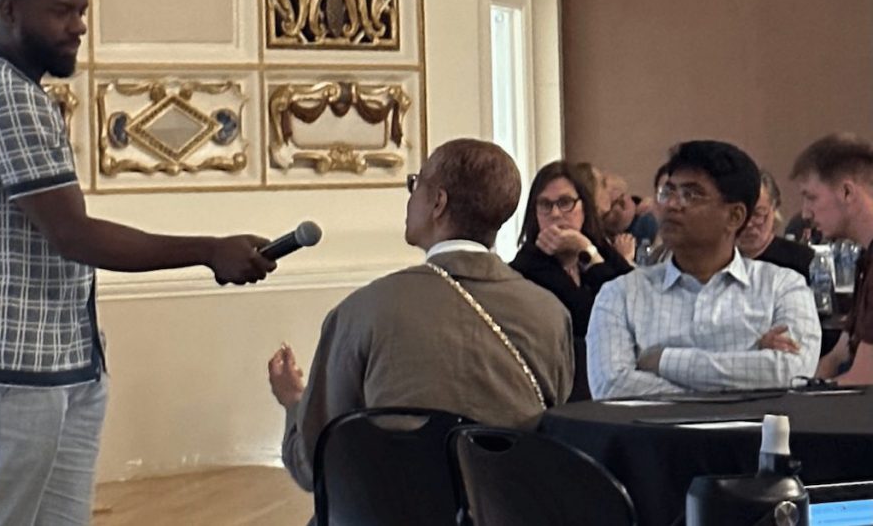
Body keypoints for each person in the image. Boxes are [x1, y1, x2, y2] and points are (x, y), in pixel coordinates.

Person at [0, 0, 276, 526]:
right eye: (62, 11)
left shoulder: (25, 96)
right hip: (12, 372)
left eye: (83, 11)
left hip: (61, 361)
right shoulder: (5, 97)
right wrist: (207, 250)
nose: (79, 27)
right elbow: (75, 235)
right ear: (10, 9)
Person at [267, 139, 574, 493]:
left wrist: (293, 401)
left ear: (438, 202)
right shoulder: (550, 313)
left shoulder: (363, 311)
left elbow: (315, 465)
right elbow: (551, 437)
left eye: (415, 184)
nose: (410, 197)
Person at [587, 140, 821, 400]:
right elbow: (611, 387)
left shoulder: (782, 287)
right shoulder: (621, 294)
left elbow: (793, 372)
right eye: (668, 192)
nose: (673, 205)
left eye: (691, 195)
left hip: (752, 440)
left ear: (735, 217)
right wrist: (748, 366)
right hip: (655, 439)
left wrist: (663, 360)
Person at [510, 161, 633, 338]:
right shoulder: (527, 266)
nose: (555, 214)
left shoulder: (597, 246)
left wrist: (588, 252)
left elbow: (634, 302)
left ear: (585, 207)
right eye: (545, 204)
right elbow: (594, 321)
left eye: (565, 202)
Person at [791, 133, 873, 385]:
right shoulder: (866, 261)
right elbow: (839, 354)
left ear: (847, 192)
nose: (805, 212)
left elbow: (864, 381)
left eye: (811, 197)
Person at [738, 170, 814, 281]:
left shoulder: (802, 259)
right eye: (740, 215)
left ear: (774, 208)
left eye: (758, 214)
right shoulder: (719, 261)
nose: (748, 224)